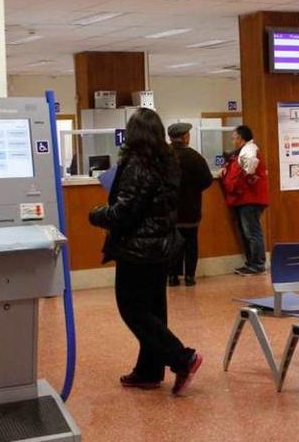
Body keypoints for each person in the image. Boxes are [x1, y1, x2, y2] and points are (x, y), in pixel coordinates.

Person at [89, 108, 202, 396]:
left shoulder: (139, 163)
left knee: (133, 309)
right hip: (162, 246)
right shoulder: (168, 161)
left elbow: (126, 211)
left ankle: (182, 358)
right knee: (153, 310)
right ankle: (149, 371)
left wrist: (98, 215)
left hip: (137, 250)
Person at [167, 122, 213, 287]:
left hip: (169, 209)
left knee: (172, 242)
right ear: (185, 137)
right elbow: (207, 180)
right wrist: (193, 190)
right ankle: (189, 277)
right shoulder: (195, 157)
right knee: (191, 242)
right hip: (191, 208)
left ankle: (172, 276)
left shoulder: (164, 156)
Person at [220, 125, 269, 275]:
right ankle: (251, 263)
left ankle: (258, 264)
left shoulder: (249, 151)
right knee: (247, 232)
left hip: (250, 199)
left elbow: (248, 170)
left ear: (241, 139)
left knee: (252, 232)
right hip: (243, 199)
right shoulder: (240, 153)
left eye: (234, 138)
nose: (233, 141)